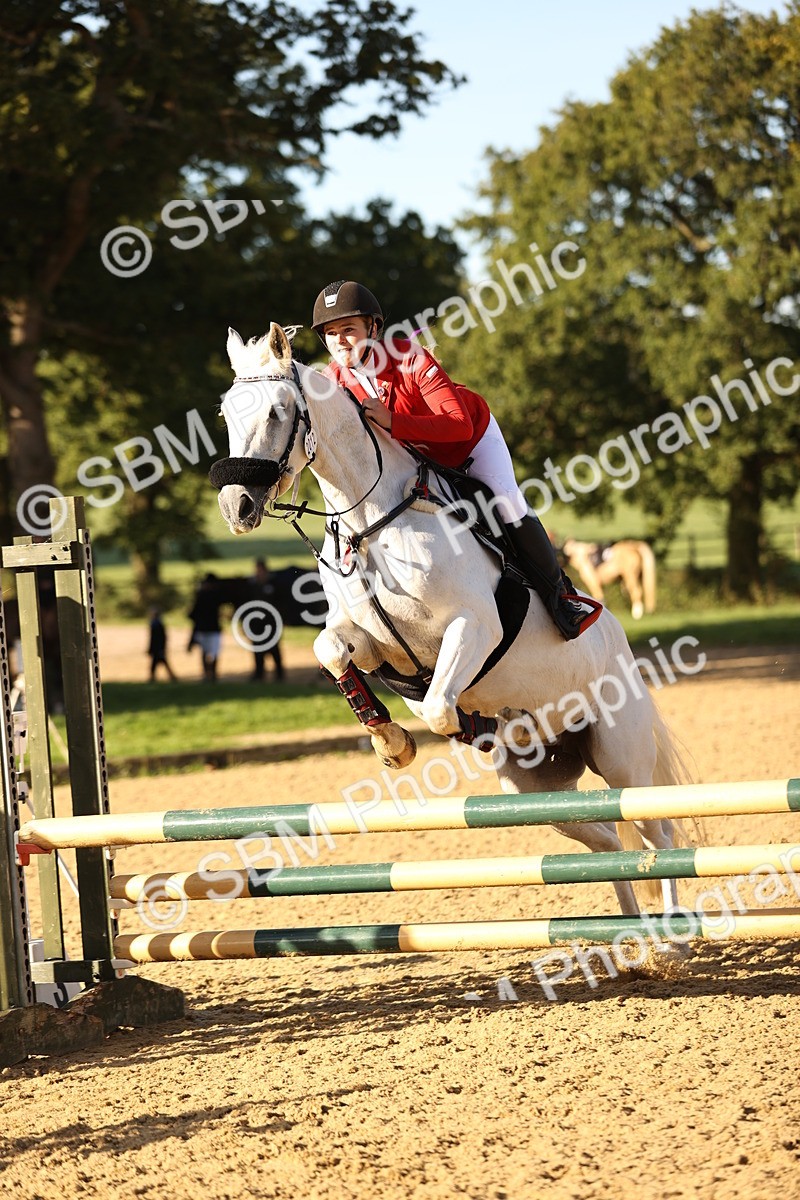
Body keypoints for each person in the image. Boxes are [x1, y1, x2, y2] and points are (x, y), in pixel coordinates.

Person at [311, 280, 598, 639]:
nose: (340, 340)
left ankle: (562, 599)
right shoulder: (331, 381)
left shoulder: (410, 358)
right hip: (415, 457)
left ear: (373, 327)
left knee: (506, 499)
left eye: (349, 330)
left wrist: (392, 421)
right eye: (331, 333)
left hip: (470, 442)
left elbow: (458, 426)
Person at [249, 558, 285, 683]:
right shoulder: (252, 586)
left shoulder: (273, 584)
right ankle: (259, 673)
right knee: (258, 649)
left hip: (271, 623)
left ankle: (279, 674)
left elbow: (280, 603)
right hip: (256, 624)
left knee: (274, 649)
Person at [187, 573, 223, 682]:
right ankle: (213, 674)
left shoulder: (201, 596)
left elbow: (193, 614)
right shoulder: (216, 596)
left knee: (205, 652)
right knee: (214, 652)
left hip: (204, 629)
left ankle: (207, 674)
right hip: (213, 629)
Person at [147, 608, 176, 682]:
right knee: (161, 663)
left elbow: (157, 638)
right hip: (158, 648)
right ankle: (171, 677)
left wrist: (156, 648)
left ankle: (153, 678)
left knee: (156, 663)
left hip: (158, 648)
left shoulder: (156, 624)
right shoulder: (157, 623)